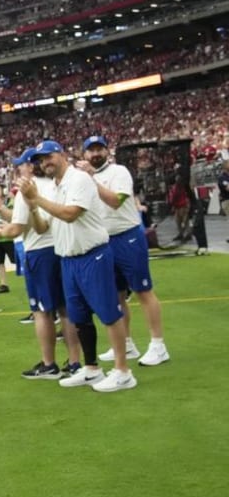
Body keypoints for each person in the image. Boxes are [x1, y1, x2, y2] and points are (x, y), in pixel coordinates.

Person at [18, 140, 136, 392]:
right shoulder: (56, 186)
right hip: (68, 258)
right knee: (79, 317)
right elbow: (42, 228)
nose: (44, 163)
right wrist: (33, 207)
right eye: (40, 160)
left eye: (48, 157)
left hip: (92, 254)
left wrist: (37, 198)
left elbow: (71, 214)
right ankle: (92, 368)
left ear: (61, 155)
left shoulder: (79, 179)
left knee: (108, 312)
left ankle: (123, 370)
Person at [0, 149, 80, 379]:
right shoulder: (54, 185)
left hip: (39, 253)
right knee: (65, 309)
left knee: (41, 311)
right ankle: (75, 361)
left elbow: (17, 228)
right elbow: (24, 218)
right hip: (59, 249)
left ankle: (49, 364)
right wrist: (1, 209)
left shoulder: (27, 191)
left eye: (21, 165)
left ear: (30, 166)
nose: (18, 169)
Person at [78, 136, 169, 367]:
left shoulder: (119, 172)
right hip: (105, 241)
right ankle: (126, 344)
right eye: (91, 150)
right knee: (116, 295)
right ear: (84, 155)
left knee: (142, 290)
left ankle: (158, 345)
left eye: (99, 149)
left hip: (127, 236)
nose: (95, 154)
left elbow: (115, 201)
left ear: (107, 151)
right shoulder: (84, 178)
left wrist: (91, 179)